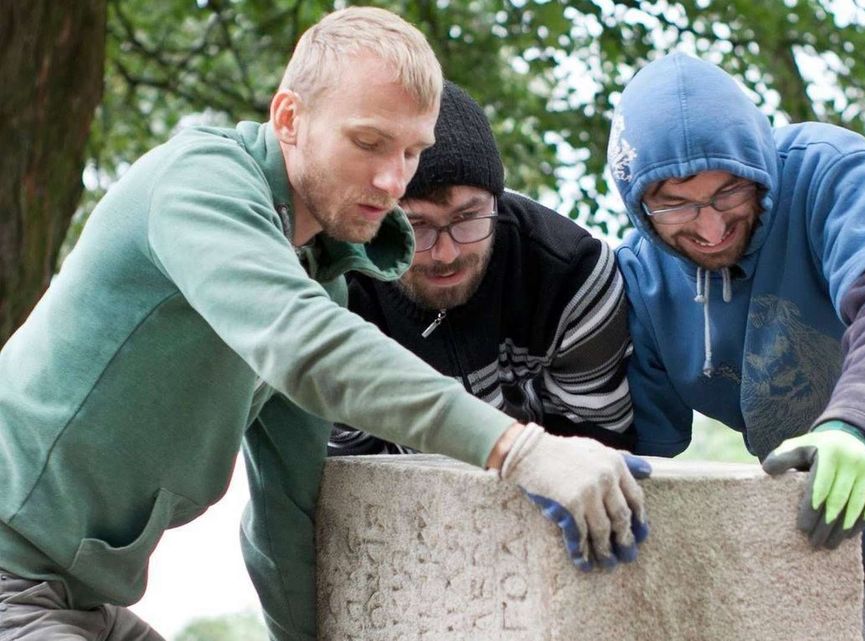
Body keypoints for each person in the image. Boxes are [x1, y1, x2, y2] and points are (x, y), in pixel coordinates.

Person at [0, 8, 649, 641]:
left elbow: (290, 511)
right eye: (368, 142)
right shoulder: (199, 185)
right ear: (290, 117)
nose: (393, 179)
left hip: (77, 597)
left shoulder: (318, 278)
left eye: (410, 152)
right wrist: (523, 449)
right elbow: (309, 345)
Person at [607, 52, 865, 640]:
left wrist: (858, 427)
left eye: (729, 191)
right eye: (676, 204)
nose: (709, 227)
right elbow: (640, 446)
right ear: (638, 204)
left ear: (758, 165)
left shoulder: (832, 174)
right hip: (806, 551)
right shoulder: (642, 281)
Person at [328, 81, 633, 458]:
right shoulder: (337, 290)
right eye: (415, 225)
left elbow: (600, 446)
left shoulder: (571, 274)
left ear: (497, 199)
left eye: (467, 217)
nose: (446, 252)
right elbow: (341, 473)